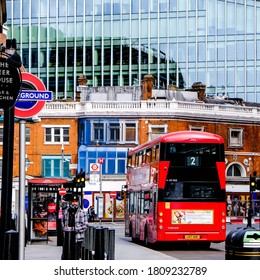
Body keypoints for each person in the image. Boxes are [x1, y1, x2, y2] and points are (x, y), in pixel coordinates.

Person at [62, 195, 88, 259]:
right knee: (66, 256)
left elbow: (85, 225)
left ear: (78, 202)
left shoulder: (82, 212)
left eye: (75, 201)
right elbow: (62, 221)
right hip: (67, 238)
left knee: (76, 256)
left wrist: (74, 228)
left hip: (77, 238)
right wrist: (64, 228)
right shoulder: (66, 211)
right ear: (70, 202)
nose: (74, 203)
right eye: (73, 201)